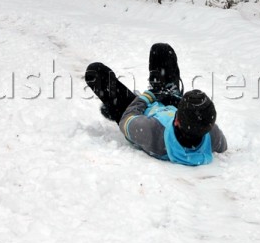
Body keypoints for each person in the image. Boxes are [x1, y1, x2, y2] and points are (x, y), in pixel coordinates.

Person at [85, 43, 227, 166]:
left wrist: (148, 96)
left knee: (95, 72)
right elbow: (222, 145)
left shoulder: (151, 131)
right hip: (174, 109)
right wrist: (176, 100)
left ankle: (116, 106)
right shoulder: (211, 136)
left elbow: (126, 120)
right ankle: (173, 94)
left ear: (176, 121)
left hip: (140, 110)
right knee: (161, 50)